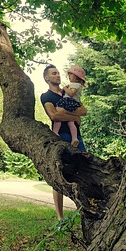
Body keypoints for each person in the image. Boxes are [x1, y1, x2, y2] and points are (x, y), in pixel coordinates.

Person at [40, 64, 87, 221]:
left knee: (82, 172)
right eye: (54, 73)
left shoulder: (69, 93)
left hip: (76, 138)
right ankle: (60, 218)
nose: (58, 75)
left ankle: (84, 212)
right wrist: (73, 116)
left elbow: (83, 112)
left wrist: (70, 116)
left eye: (58, 73)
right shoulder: (46, 97)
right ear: (47, 78)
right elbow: (54, 116)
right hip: (59, 137)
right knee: (59, 176)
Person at [52, 65, 87, 148]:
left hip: (69, 102)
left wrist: (65, 88)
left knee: (58, 112)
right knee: (71, 122)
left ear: (75, 76)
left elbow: (71, 94)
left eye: (70, 75)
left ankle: (55, 132)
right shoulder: (76, 85)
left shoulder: (76, 85)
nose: (69, 77)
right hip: (73, 103)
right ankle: (74, 138)